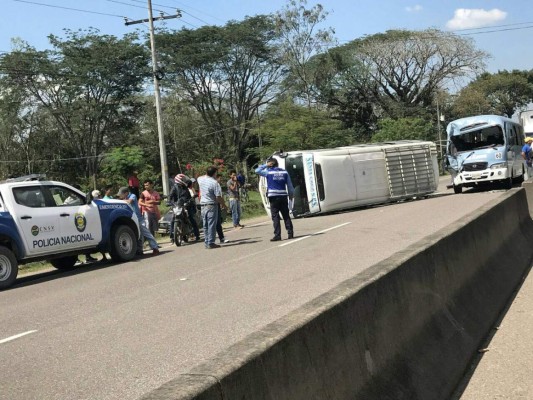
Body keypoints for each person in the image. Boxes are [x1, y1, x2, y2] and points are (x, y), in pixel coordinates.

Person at [255, 157, 295, 241]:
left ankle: (277, 235)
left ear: (270, 164)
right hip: (283, 196)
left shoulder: (268, 172)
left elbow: (257, 171)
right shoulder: (284, 172)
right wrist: (291, 195)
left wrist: (265, 165)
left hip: (273, 196)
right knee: (286, 215)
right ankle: (290, 233)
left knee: (275, 216)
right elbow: (290, 185)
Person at [116, 186, 160, 256]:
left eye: (122, 194)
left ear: (126, 193)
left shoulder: (132, 196)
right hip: (132, 219)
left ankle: (155, 248)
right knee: (139, 236)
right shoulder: (125, 198)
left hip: (138, 219)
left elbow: (129, 202)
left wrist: (119, 201)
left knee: (146, 233)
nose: (121, 196)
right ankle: (139, 250)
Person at [197, 166, 227, 249]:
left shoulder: (200, 179)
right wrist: (224, 205)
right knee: (211, 224)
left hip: (203, 205)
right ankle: (211, 242)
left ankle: (207, 242)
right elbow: (218, 197)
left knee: (205, 225)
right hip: (211, 205)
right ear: (214, 173)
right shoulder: (214, 183)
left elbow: (201, 177)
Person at [168, 174, 200, 242]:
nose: (185, 181)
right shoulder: (174, 187)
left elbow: (188, 196)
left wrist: (190, 200)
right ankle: (172, 236)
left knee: (191, 218)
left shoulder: (185, 187)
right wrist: (170, 202)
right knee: (173, 220)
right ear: (179, 180)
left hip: (186, 205)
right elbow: (170, 197)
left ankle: (197, 235)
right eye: (183, 180)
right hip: (177, 206)